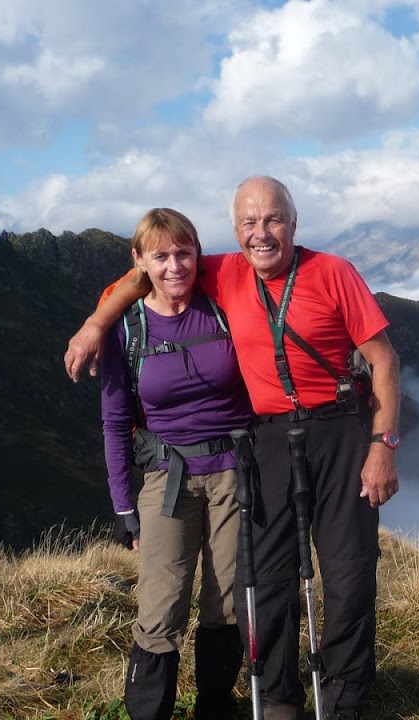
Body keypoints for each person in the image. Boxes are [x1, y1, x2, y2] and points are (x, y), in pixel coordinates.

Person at [66, 176, 401, 720]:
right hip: (266, 437)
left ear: (294, 223)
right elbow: (144, 273)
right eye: (248, 222)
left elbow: (384, 360)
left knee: (347, 571)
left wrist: (382, 445)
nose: (260, 233)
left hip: (339, 428)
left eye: (272, 220)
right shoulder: (224, 271)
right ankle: (277, 698)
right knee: (265, 577)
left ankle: (342, 700)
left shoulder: (333, 272)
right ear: (234, 229)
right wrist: (95, 324)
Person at [99, 208, 253, 720]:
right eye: (160, 255)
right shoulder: (127, 330)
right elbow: (116, 423)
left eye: (183, 253)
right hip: (167, 479)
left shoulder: (223, 307)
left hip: (235, 473)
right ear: (139, 261)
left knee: (227, 601)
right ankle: (149, 713)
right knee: (160, 608)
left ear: (197, 254)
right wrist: (124, 507)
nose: (174, 266)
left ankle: (214, 705)